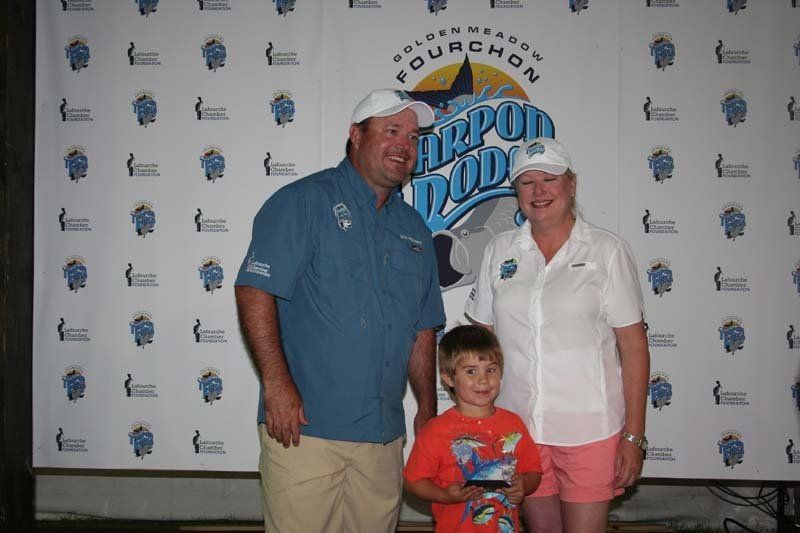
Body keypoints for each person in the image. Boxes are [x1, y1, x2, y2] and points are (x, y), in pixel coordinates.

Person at [235, 89, 445, 533]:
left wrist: (427, 409)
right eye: (391, 130)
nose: (404, 144)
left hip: (383, 439)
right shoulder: (302, 201)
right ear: (355, 135)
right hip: (307, 430)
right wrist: (276, 384)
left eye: (413, 136)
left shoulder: (415, 230)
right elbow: (255, 288)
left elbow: (424, 328)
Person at [465, 137, 650, 533]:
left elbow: (633, 347)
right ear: (516, 192)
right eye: (527, 182)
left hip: (590, 431)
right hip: (520, 431)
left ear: (572, 184)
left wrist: (634, 436)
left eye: (549, 178)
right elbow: (481, 344)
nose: (539, 191)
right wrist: (479, 421)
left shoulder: (607, 252)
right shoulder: (499, 250)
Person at [404, 325, 542, 532]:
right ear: (449, 378)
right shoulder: (436, 430)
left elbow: (534, 471)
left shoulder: (514, 424)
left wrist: (523, 486)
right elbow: (412, 481)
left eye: (491, 370)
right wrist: (444, 496)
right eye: (471, 371)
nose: (483, 379)